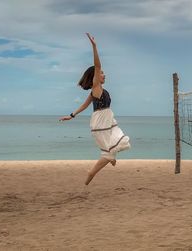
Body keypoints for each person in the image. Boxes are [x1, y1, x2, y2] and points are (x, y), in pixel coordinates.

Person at [59, 33, 131, 186]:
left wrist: (71, 115)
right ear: (96, 77)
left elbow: (84, 105)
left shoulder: (96, 91)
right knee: (116, 144)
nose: (104, 74)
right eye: (102, 73)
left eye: (103, 73)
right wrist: (94, 46)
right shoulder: (96, 88)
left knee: (116, 143)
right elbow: (97, 66)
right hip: (102, 120)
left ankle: (110, 158)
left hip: (104, 119)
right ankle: (93, 171)